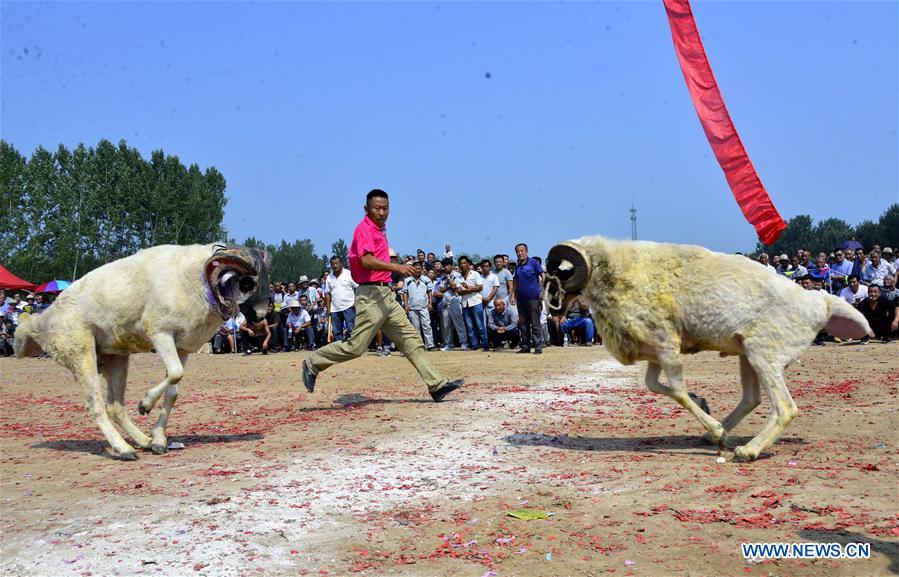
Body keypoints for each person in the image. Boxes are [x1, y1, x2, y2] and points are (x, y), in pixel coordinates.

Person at [300, 189, 463, 402]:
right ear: (366, 209)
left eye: (385, 208)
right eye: (377, 208)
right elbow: (366, 260)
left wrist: (398, 269)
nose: (382, 212)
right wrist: (397, 267)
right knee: (356, 347)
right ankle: (313, 363)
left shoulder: (379, 230)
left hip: (385, 293)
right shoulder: (364, 229)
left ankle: (436, 385)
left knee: (411, 340)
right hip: (371, 295)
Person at [512, 242, 544, 354]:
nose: (520, 253)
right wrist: (513, 295)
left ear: (526, 251)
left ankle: (538, 346)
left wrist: (543, 290)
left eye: (521, 251)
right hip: (520, 299)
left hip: (533, 298)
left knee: (535, 323)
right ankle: (525, 346)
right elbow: (515, 282)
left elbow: (543, 275)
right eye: (517, 252)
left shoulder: (534, 263)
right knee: (523, 324)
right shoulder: (518, 267)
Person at [434, 257, 468, 351]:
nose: (446, 267)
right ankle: (449, 344)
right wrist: (449, 285)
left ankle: (464, 342)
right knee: (446, 325)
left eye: (448, 265)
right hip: (445, 302)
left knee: (458, 323)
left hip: (455, 301)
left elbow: (455, 287)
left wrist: (449, 281)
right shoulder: (442, 277)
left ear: (451, 266)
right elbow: (441, 289)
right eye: (444, 265)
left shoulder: (457, 275)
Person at [457, 255, 488, 351]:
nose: (462, 265)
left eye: (464, 263)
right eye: (461, 263)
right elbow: (459, 291)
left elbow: (480, 287)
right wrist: (470, 289)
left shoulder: (475, 274)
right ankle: (474, 345)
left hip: (476, 302)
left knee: (480, 325)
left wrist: (467, 288)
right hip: (465, 304)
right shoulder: (458, 277)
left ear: (468, 264)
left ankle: (485, 345)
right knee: (469, 326)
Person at [324, 255, 358, 342]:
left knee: (352, 329)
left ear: (341, 264)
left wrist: (356, 301)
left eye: (337, 263)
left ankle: (355, 347)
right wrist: (328, 309)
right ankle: (339, 348)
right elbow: (327, 294)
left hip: (349, 306)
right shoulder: (329, 278)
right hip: (335, 308)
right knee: (336, 332)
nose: (335, 266)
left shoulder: (349, 274)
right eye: (333, 264)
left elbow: (357, 288)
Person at [402, 261, 435, 350]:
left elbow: (429, 292)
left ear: (422, 270)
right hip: (412, 307)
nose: (417, 270)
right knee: (415, 327)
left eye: (419, 269)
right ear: (413, 269)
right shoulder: (407, 280)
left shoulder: (426, 280)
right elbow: (405, 293)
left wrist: (430, 303)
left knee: (427, 326)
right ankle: (419, 345)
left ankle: (430, 345)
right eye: (416, 269)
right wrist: (406, 305)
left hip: (424, 306)